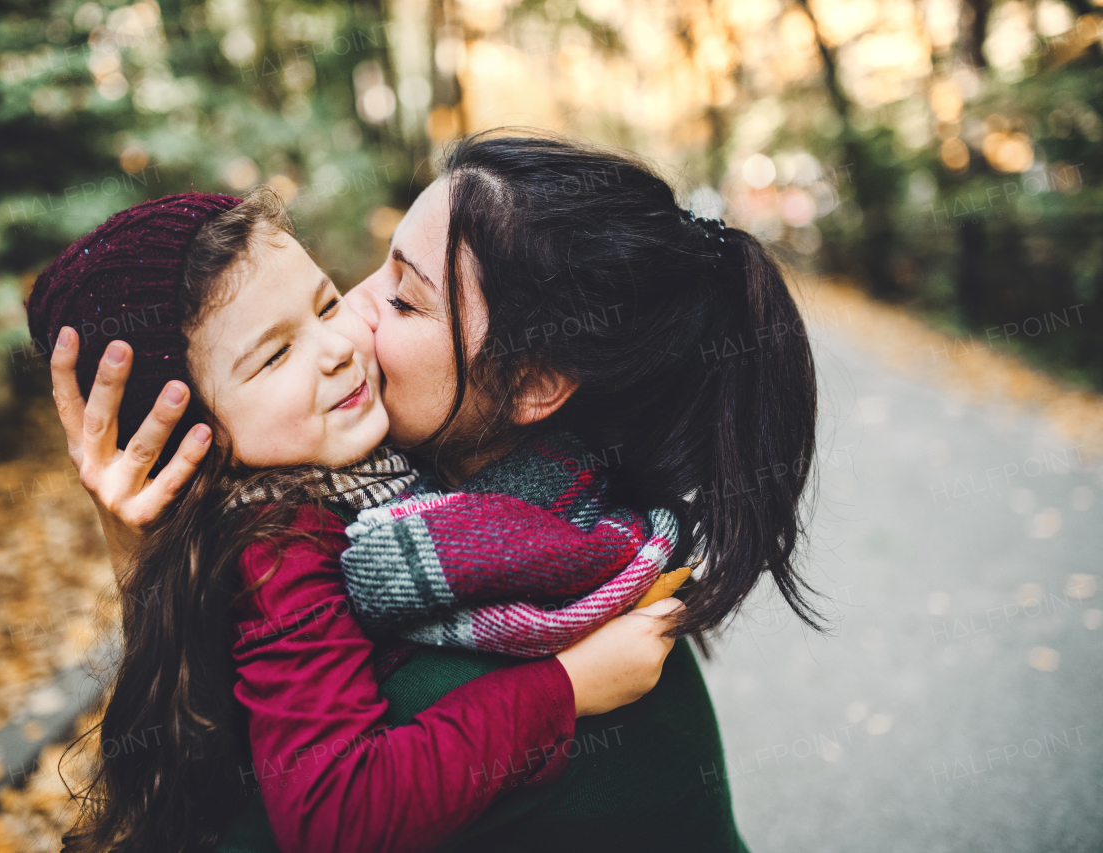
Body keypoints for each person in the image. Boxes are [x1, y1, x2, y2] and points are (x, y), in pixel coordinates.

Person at [58, 132, 820, 851]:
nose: (349, 320)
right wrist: (146, 552)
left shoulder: (504, 654)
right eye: (378, 269)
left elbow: (214, 822)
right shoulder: (484, 527)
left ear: (533, 383)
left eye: (404, 298)